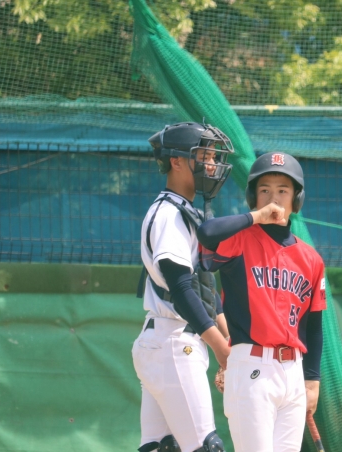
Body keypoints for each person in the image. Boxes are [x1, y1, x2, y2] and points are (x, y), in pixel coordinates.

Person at [198, 152, 326, 452]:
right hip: (252, 366)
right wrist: (256, 216)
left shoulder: (311, 259)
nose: (274, 198)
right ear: (253, 197)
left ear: (297, 199)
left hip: (293, 372)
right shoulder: (240, 239)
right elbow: (206, 233)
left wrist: (312, 380)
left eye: (283, 190)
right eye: (264, 190)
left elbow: (314, 325)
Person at [132, 122, 232, 452]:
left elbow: (204, 289)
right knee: (206, 447)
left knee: (161, 447)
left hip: (166, 342)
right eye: (206, 156)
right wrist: (221, 349)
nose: (213, 165)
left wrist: (228, 337)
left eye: (214, 157)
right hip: (174, 343)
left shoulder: (185, 211)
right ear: (176, 161)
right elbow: (181, 290)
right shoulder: (169, 214)